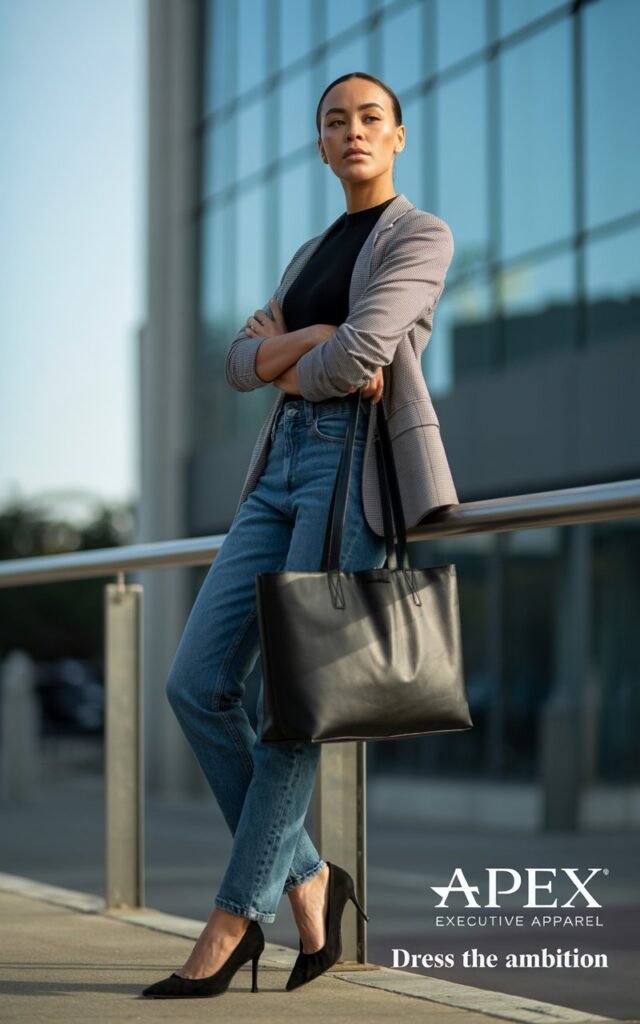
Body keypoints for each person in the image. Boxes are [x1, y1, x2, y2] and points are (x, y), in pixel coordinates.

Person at [142, 71, 458, 1001]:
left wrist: (295, 353)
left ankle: (236, 922)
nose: (352, 131)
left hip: (345, 474)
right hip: (275, 469)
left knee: (293, 703)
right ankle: (313, 878)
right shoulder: (308, 253)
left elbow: (364, 357)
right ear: (321, 146)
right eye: (335, 122)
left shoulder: (421, 235)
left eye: (370, 118)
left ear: (397, 137)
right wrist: (313, 339)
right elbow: (240, 363)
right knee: (196, 683)